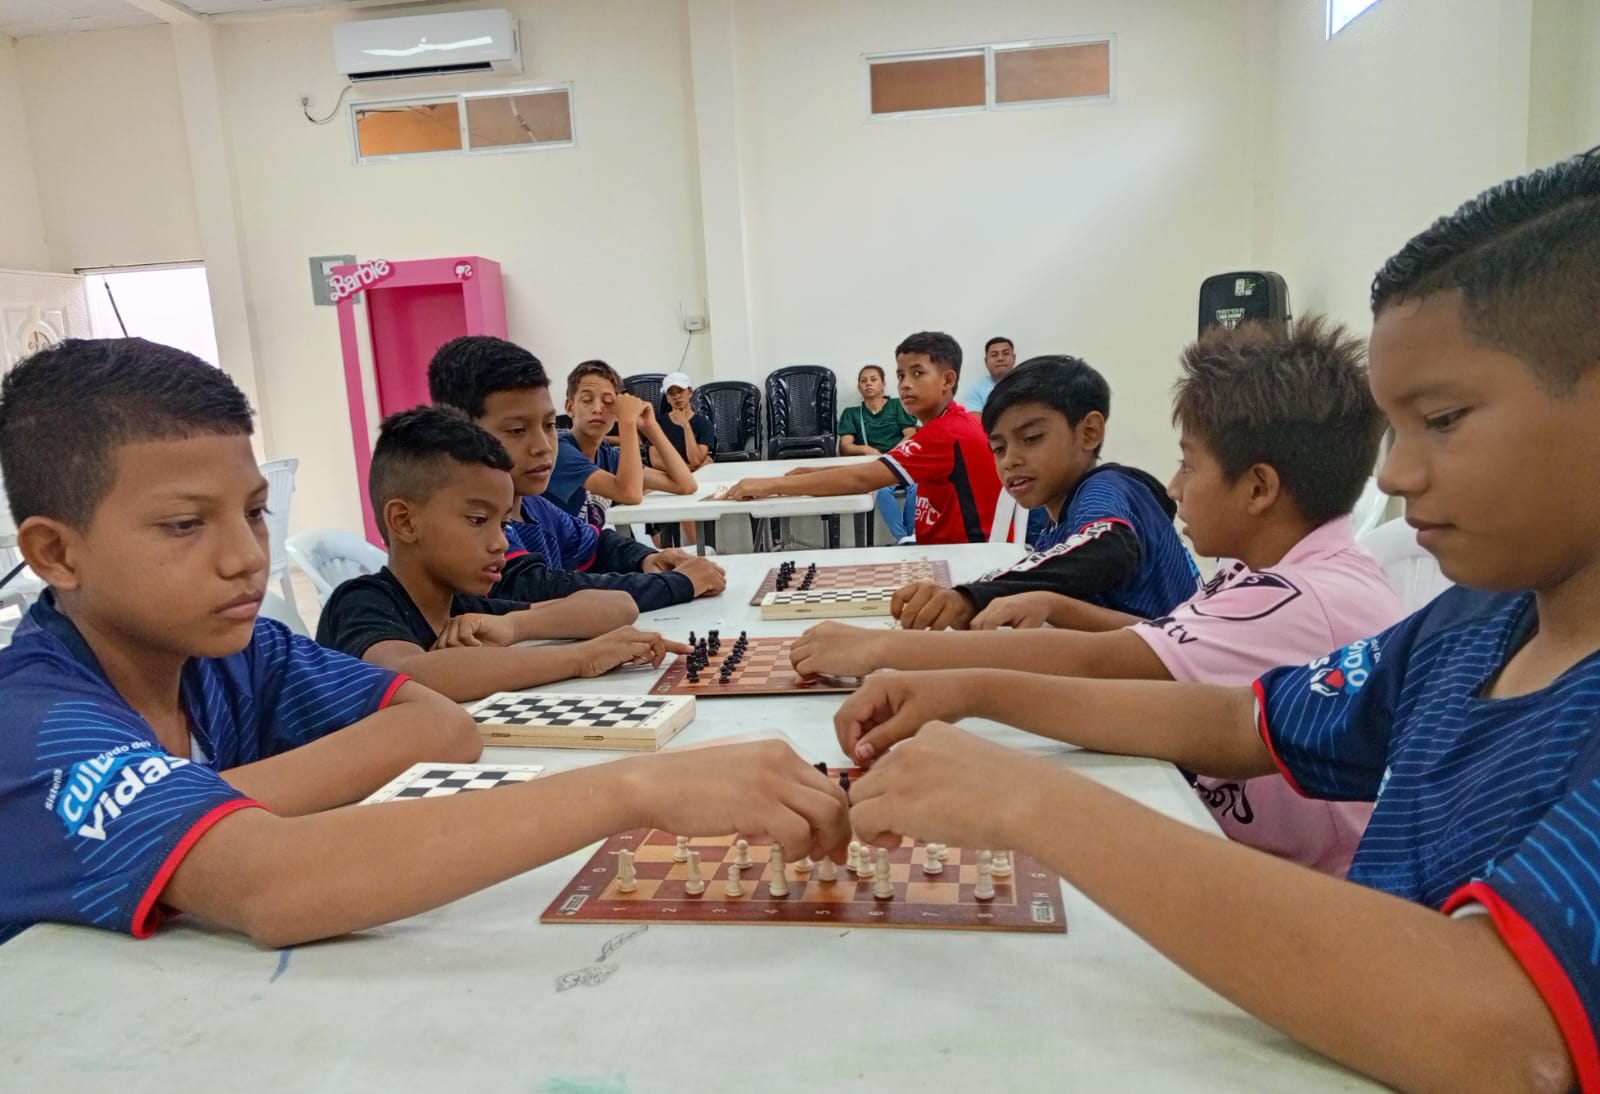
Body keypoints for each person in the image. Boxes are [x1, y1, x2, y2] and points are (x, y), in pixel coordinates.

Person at [834, 154, 1600, 1092]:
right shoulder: (1473, 624)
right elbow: (1247, 719)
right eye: (1396, 429)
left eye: (1442, 419)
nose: (1395, 475)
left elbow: (1508, 1040)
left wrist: (1028, 803)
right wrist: (966, 691)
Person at [0, 337, 849, 949]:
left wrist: (201, 801)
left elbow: (439, 726)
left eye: (254, 511)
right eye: (185, 524)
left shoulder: (241, 654)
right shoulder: (36, 722)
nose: (246, 556)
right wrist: (633, 788)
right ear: (55, 554)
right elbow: (273, 883)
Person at [791, 316, 1403, 875]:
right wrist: (1060, 609)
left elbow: (1106, 660)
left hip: (1301, 882)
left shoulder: (1292, 599)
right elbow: (1161, 640)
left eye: (1189, 465)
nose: (1173, 487)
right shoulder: (1274, 571)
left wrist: (894, 655)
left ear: (1259, 487)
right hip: (1217, 829)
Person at [316, 407, 686, 702]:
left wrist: (514, 626)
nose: (502, 543)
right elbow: (411, 676)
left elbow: (619, 607)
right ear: (405, 521)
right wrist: (581, 657)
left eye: (503, 523)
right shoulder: (361, 602)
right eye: (478, 520)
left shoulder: (464, 608)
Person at [885, 356, 1198, 630]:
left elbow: (1109, 547)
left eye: (1032, 438)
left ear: (1089, 432)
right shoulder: (1056, 523)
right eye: (998, 448)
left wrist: (972, 597)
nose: (1010, 460)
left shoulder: (1107, 487)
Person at [427, 336, 726, 612]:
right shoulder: (470, 523)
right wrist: (676, 584)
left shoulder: (534, 506)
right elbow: (543, 589)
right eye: (517, 430)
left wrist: (647, 558)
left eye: (548, 426)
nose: (543, 446)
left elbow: (597, 544)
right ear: (461, 433)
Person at [723, 332, 1002, 545]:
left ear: (947, 380)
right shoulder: (948, 423)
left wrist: (771, 485)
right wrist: (814, 473)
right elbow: (872, 468)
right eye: (901, 375)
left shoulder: (947, 433)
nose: (905, 384)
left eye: (918, 373)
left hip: (970, 559)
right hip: (952, 551)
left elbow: (861, 480)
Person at [547, 359, 695, 527]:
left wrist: (650, 426)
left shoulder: (606, 455)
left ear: (616, 410)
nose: (597, 408)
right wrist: (627, 422)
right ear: (569, 407)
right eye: (587, 400)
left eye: (608, 402)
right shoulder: (559, 450)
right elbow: (630, 494)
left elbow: (685, 484)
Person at [837, 364, 919, 544]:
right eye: (863, 381)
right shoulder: (852, 414)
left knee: (916, 488)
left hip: (902, 462)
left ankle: (911, 535)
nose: (868, 383)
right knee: (882, 490)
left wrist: (892, 456)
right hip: (876, 467)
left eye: (873, 380)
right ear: (859, 387)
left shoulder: (898, 405)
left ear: (883, 385)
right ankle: (903, 538)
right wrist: (865, 449)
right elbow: (845, 447)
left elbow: (911, 435)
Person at [958, 336, 1016, 413]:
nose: (1000, 358)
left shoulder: (1026, 383)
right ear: (986, 361)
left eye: (1006, 353)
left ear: (1014, 358)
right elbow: (975, 419)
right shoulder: (975, 389)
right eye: (994, 355)